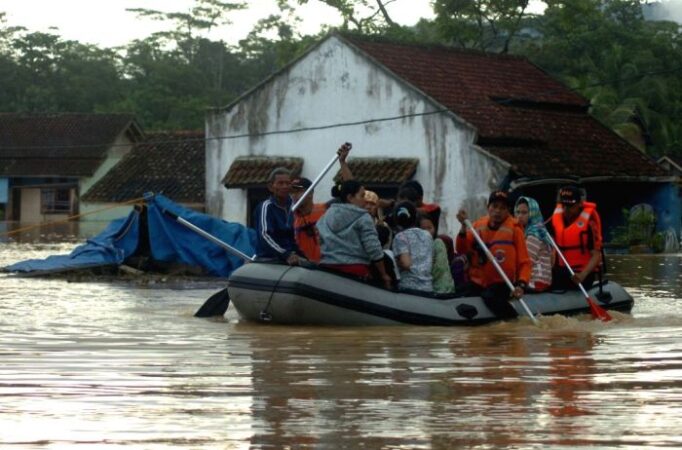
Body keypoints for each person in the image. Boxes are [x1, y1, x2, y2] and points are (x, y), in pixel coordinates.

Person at [456, 190, 531, 319]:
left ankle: (514, 322)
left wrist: (521, 284)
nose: (497, 211)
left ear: (508, 211)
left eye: (502, 208)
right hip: (479, 282)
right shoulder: (477, 226)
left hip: (502, 283)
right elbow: (461, 249)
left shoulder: (515, 230)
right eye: (494, 206)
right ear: (488, 207)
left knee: (490, 296)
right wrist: (463, 228)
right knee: (462, 290)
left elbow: (524, 262)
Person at [317, 180, 392, 289]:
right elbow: (373, 248)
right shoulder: (363, 217)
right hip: (355, 269)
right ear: (350, 197)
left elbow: (320, 239)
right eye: (362, 196)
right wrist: (383, 274)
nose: (365, 200)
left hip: (327, 267)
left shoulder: (327, 215)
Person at [290, 143, 353, 263]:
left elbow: (352, 191)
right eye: (292, 192)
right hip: (302, 270)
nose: (294, 195)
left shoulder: (327, 209)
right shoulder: (288, 218)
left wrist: (342, 162)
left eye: (298, 191)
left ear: (310, 193)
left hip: (328, 267)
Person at [549, 185, 603, 290]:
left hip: (582, 273)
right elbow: (553, 250)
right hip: (562, 271)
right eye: (564, 205)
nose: (566, 209)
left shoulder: (588, 225)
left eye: (570, 206)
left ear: (579, 204)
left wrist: (582, 275)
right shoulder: (557, 220)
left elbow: (596, 256)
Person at [253, 167, 300, 265]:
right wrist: (286, 255)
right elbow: (265, 235)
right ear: (271, 187)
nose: (285, 186)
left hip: (293, 256)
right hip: (270, 259)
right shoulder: (266, 207)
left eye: (288, 183)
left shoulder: (294, 205)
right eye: (280, 183)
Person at [514, 196, 554, 292]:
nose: (519, 216)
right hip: (537, 280)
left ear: (532, 213)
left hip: (536, 281)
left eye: (524, 213)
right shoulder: (531, 231)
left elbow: (527, 261)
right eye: (518, 212)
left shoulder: (534, 234)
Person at [392, 201, 433, 293]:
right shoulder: (427, 235)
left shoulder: (400, 237)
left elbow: (406, 264)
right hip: (428, 287)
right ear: (415, 217)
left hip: (409, 288)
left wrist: (396, 262)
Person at [419, 213, 455, 294]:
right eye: (423, 229)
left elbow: (439, 268)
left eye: (429, 228)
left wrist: (424, 279)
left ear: (434, 228)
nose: (427, 232)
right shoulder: (419, 246)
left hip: (442, 289)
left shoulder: (438, 243)